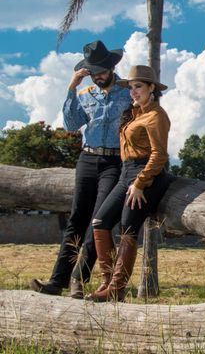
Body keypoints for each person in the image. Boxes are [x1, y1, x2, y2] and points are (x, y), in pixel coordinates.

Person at [30, 40, 131, 298]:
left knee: (98, 220)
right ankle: (57, 281)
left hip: (115, 163)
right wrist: (71, 88)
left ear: (111, 67)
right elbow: (71, 125)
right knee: (77, 219)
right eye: (93, 73)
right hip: (87, 160)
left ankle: (79, 278)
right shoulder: (85, 94)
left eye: (102, 72)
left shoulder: (127, 92)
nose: (98, 77)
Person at [87, 65, 171, 302]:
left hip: (146, 174)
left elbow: (159, 155)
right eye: (131, 87)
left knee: (127, 227)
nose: (133, 92)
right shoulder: (137, 113)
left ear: (151, 88)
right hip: (126, 173)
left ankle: (117, 289)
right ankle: (107, 281)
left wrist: (141, 183)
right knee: (100, 222)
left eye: (138, 87)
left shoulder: (156, 116)